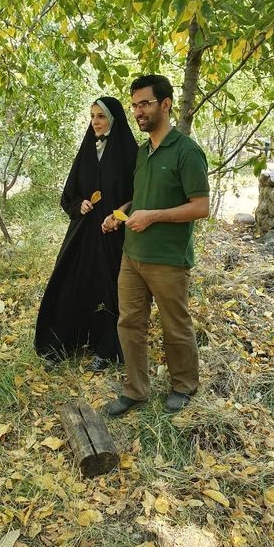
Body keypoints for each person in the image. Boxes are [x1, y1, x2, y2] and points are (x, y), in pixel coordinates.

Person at [102, 75, 210, 415]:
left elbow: (201, 207)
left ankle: (184, 385)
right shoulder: (142, 152)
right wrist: (120, 214)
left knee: (174, 325)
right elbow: (141, 199)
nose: (138, 111)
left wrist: (153, 217)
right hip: (132, 255)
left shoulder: (187, 151)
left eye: (145, 104)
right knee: (129, 323)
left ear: (165, 104)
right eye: (134, 105)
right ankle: (135, 390)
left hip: (168, 259)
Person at [34, 97, 138, 371]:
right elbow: (70, 193)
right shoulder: (86, 151)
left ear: (113, 119)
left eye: (101, 116)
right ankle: (62, 343)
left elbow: (139, 196)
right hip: (83, 233)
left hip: (113, 234)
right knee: (70, 283)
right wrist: (79, 204)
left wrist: (119, 215)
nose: (95, 122)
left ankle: (107, 350)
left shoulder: (130, 153)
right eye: (92, 116)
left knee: (108, 288)